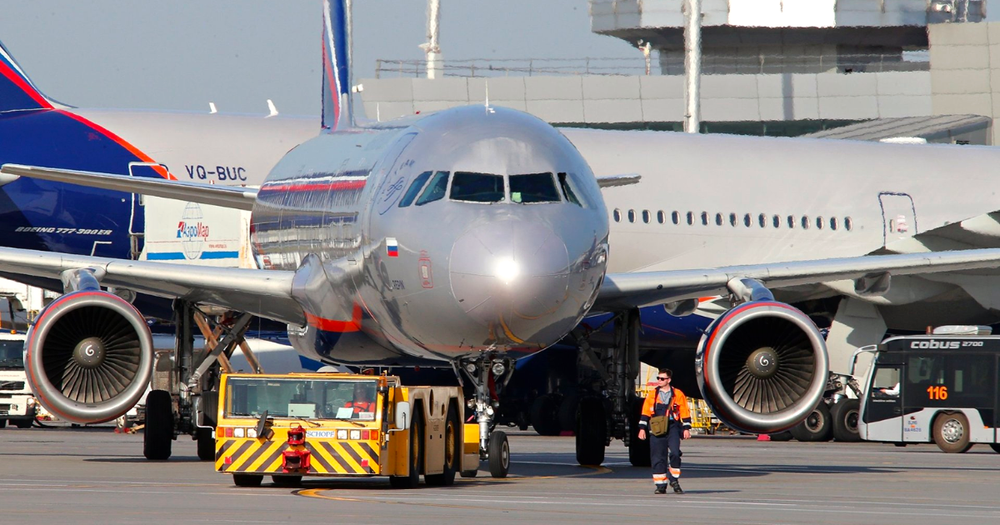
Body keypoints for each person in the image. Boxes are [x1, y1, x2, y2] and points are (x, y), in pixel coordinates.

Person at [638, 368, 692, 494]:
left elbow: (684, 410)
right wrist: (642, 429)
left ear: (669, 380)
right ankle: (660, 485)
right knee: (658, 457)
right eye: (658, 378)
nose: (659, 381)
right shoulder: (652, 394)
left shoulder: (677, 394)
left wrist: (686, 428)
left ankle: (673, 479)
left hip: (673, 427)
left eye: (662, 379)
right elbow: (646, 411)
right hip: (657, 428)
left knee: (675, 453)